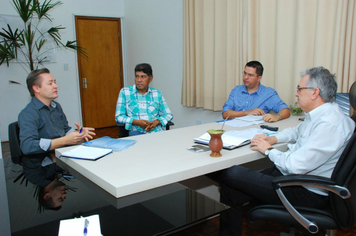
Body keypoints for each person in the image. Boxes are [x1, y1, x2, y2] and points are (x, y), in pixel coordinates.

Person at [219, 66, 355, 236]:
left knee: (232, 174)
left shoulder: (329, 125)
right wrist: (273, 139)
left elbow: (295, 166)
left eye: (299, 89)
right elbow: (297, 131)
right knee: (230, 187)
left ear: (315, 93)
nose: (296, 93)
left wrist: (268, 150)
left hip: (304, 190)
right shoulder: (323, 115)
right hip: (296, 180)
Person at [18, 68, 95, 156]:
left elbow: (65, 130)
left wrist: (78, 133)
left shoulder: (56, 106)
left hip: (62, 155)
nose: (56, 86)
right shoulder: (28, 113)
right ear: (36, 88)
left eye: (55, 82)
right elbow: (27, 146)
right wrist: (64, 140)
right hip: (44, 162)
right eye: (50, 83)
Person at [115, 63, 173, 136]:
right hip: (136, 133)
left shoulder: (157, 94)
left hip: (156, 132)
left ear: (150, 78)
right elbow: (119, 116)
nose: (139, 80)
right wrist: (136, 122)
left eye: (143, 77)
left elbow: (168, 114)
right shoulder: (125, 92)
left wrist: (157, 122)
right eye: (137, 76)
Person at [222, 61, 291, 122]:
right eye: (245, 73)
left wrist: (276, 117)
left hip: (255, 131)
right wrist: (248, 112)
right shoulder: (236, 90)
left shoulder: (268, 93)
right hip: (233, 128)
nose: (246, 77)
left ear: (259, 78)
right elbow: (225, 114)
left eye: (250, 75)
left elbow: (286, 111)